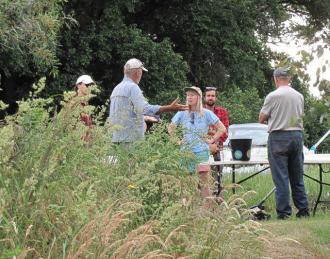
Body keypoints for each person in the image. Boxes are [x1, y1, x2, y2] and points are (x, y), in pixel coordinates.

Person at [259, 67, 309, 219]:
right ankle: (303, 210)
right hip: (297, 136)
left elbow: (261, 118)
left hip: (279, 137)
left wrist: (274, 118)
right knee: (297, 176)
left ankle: (284, 213)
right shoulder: (299, 96)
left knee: (281, 177)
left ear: (276, 79)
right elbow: (298, 117)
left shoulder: (273, 96)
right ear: (289, 79)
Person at [108, 58, 187, 144]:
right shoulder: (133, 87)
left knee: (115, 158)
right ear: (138, 72)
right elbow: (144, 109)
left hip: (115, 138)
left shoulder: (116, 89)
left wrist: (145, 119)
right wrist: (169, 108)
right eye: (141, 71)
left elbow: (125, 114)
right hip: (130, 140)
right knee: (131, 158)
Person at [168, 86, 227, 199]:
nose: (189, 97)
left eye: (192, 95)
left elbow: (222, 128)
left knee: (204, 184)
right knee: (186, 183)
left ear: (198, 97)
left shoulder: (206, 113)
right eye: (188, 95)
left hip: (201, 152)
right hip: (185, 152)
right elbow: (171, 128)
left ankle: (206, 211)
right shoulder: (181, 113)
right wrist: (177, 141)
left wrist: (212, 140)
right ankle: (189, 211)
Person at [203, 87, 229, 196]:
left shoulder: (222, 112)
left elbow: (225, 131)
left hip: (217, 148)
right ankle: (203, 200)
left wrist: (215, 144)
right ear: (204, 97)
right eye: (208, 95)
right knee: (202, 177)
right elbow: (195, 131)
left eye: (212, 96)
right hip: (202, 147)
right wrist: (206, 144)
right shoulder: (199, 111)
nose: (210, 98)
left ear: (216, 98)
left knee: (217, 175)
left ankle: (217, 199)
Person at [75, 75, 95, 142]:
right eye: (87, 85)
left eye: (91, 85)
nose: (90, 87)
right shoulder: (74, 103)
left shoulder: (86, 105)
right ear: (78, 85)